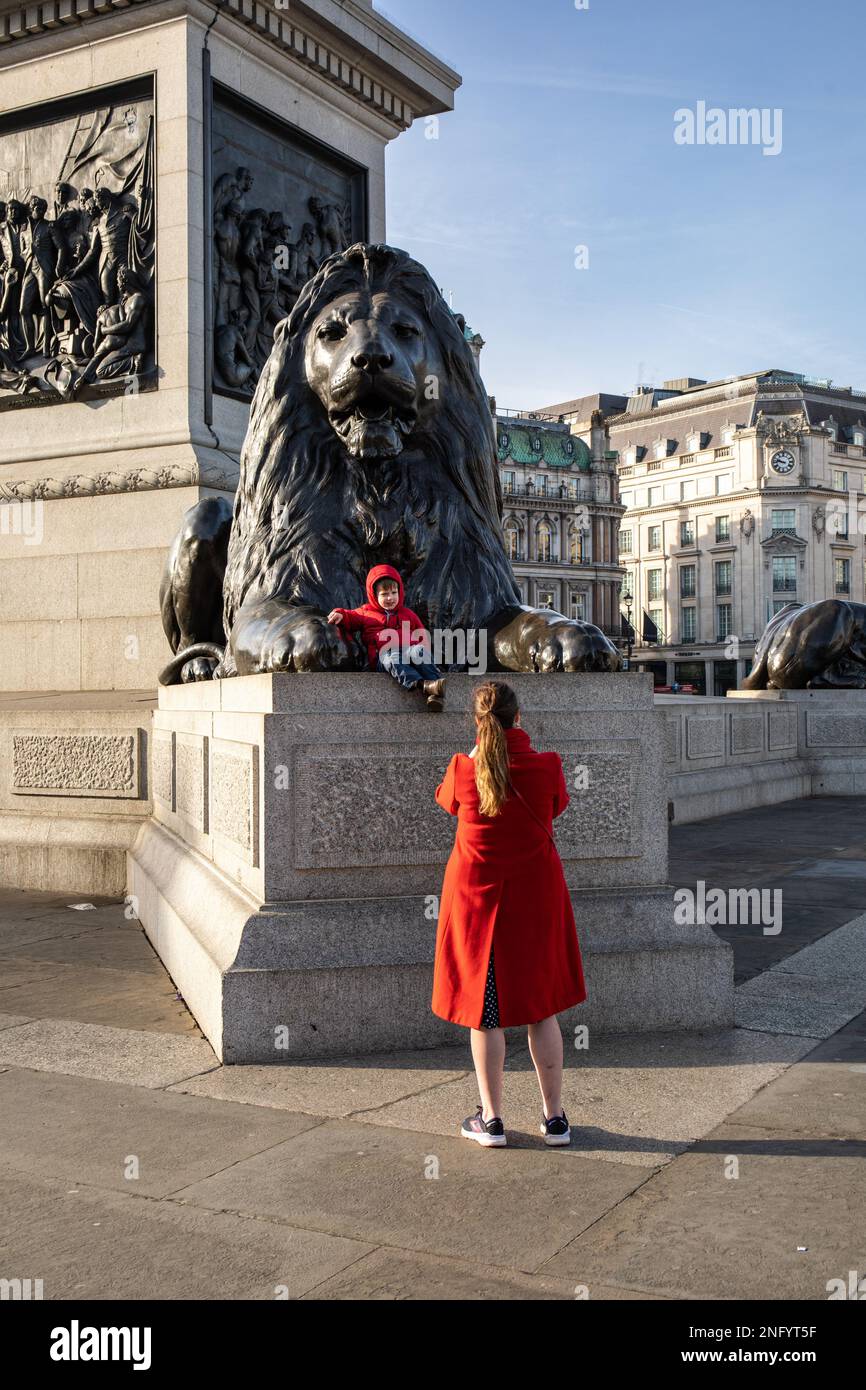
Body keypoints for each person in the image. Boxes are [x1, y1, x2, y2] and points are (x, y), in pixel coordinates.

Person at [431, 680, 587, 1147]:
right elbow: (557, 806)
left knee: (487, 1014)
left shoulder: (463, 769)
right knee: (542, 1013)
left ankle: (492, 1121)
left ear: (477, 725)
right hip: (535, 905)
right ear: (519, 719)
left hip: (480, 910)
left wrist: (478, 753)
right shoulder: (547, 766)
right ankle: (554, 1119)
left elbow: (446, 802)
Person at [328, 563, 445, 711]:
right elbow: (350, 616)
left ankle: (436, 690)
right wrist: (340, 614)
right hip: (384, 656)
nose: (390, 598)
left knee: (419, 651)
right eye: (384, 594)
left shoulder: (408, 614)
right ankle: (424, 686)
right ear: (375, 596)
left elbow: (421, 635)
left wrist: (428, 657)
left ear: (399, 592)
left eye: (393, 593)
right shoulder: (366, 612)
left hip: (409, 651)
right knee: (394, 657)